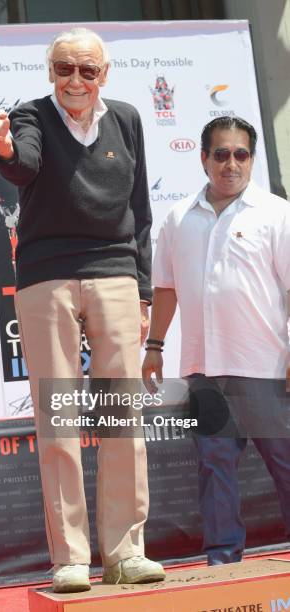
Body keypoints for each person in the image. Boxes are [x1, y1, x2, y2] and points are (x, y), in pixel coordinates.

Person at [0, 27, 165, 591]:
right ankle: (71, 557)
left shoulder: (125, 118)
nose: (74, 81)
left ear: (104, 74)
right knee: (59, 419)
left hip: (117, 274)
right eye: (63, 69)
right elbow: (22, 162)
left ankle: (125, 553)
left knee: (121, 416)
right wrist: (1, 145)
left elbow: (140, 208)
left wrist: (144, 289)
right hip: (46, 276)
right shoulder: (30, 115)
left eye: (87, 70)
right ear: (49, 71)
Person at [143, 116, 290, 565]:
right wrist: (154, 346)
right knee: (214, 468)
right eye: (221, 154)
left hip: (265, 367)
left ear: (252, 159)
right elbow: (165, 287)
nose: (231, 164)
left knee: (287, 466)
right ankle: (222, 559)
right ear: (204, 158)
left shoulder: (276, 213)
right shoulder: (178, 217)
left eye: (241, 154)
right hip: (203, 370)